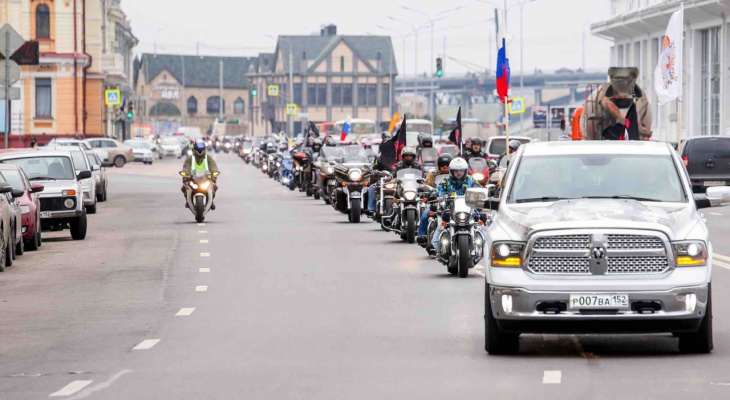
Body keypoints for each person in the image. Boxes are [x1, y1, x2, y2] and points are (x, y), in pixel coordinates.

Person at [430, 157, 484, 256]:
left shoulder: (471, 180)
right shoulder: (446, 181)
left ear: (465, 171)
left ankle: (486, 244)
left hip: (468, 210)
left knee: (479, 220)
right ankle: (435, 246)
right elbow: (438, 190)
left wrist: (483, 194)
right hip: (451, 210)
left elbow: (479, 189)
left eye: (461, 171)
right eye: (456, 171)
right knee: (443, 222)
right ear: (452, 171)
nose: (459, 173)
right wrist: (436, 194)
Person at [417, 153, 453, 246]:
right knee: (426, 214)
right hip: (437, 202)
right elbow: (426, 184)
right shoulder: (432, 175)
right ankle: (422, 236)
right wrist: (424, 187)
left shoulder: (455, 175)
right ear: (439, 166)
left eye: (447, 165)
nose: (445, 167)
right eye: (443, 165)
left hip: (452, 203)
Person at [182, 140, 219, 209]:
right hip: (193, 178)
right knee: (184, 187)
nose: (200, 151)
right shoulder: (190, 158)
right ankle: (188, 200)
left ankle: (211, 201)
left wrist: (214, 175)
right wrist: (185, 176)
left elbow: (213, 166)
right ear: (194, 149)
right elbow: (186, 167)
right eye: (198, 149)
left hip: (206, 178)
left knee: (214, 187)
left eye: (201, 149)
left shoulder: (208, 158)